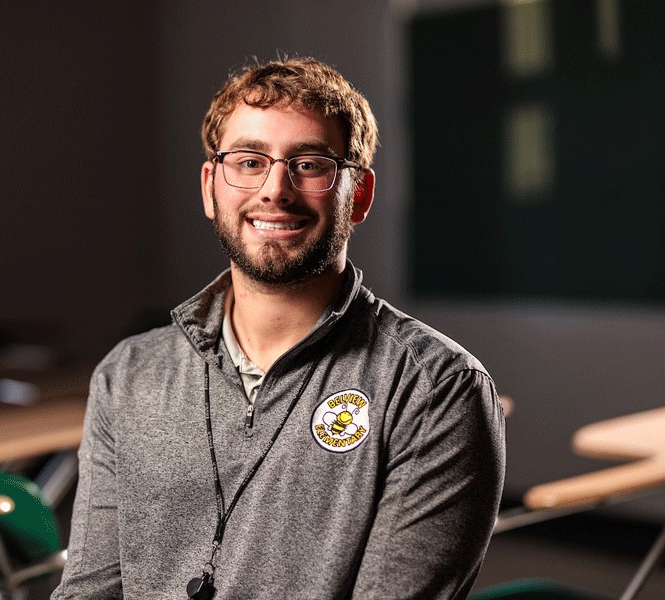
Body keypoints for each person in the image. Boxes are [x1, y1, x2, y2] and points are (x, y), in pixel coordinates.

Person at [52, 57, 505, 599]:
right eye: (248, 161)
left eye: (310, 163)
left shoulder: (435, 390)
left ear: (357, 194)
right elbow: (88, 591)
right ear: (210, 186)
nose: (275, 189)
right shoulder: (128, 374)